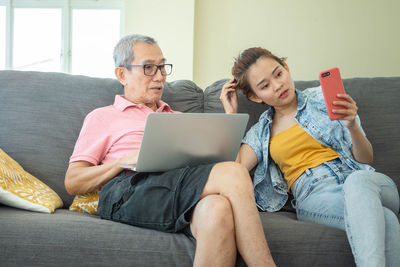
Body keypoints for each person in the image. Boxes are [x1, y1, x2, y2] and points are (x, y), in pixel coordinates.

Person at [65, 34, 276, 267]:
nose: (159, 76)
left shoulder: (178, 119)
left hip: (177, 188)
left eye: (162, 68)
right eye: (148, 68)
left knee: (218, 209)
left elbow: (224, 165)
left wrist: (230, 116)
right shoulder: (103, 117)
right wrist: (121, 162)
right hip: (128, 188)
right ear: (122, 74)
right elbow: (73, 182)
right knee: (234, 173)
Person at [220, 47, 400, 267]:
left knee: (358, 180)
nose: (278, 85)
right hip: (316, 196)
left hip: (364, 181)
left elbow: (365, 160)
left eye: (278, 74)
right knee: (387, 220)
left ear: (286, 67)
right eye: (265, 86)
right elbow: (233, 169)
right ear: (254, 97)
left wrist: (352, 125)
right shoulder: (261, 132)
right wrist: (231, 116)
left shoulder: (324, 98)